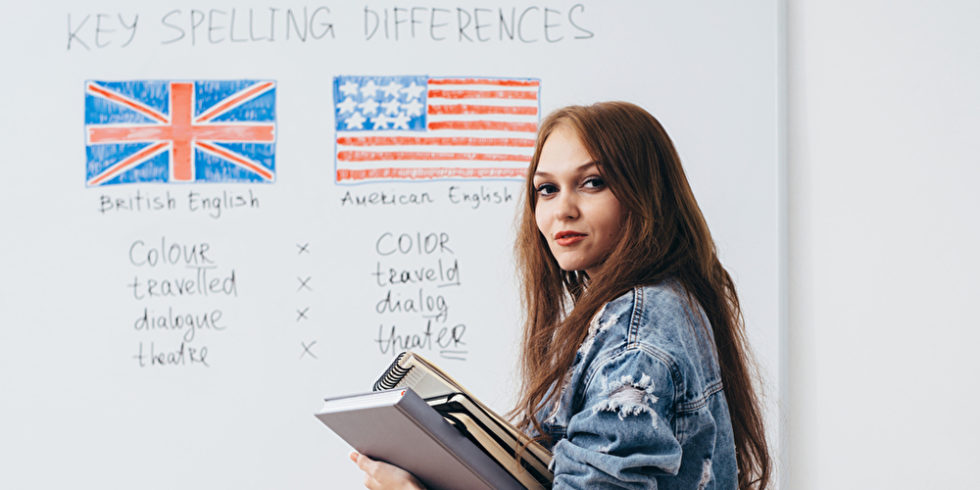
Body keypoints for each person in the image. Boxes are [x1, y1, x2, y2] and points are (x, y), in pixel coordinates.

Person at [351, 101, 772, 489]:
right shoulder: (660, 305)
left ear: (647, 196)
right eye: (547, 189)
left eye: (592, 183)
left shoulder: (634, 333)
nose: (562, 210)